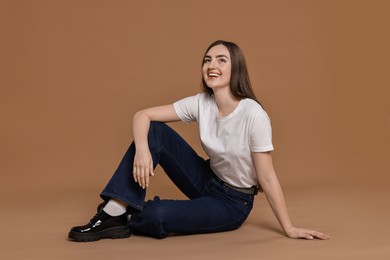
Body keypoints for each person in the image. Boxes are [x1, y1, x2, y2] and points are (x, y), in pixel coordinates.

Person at [68, 40, 329, 242]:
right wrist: (143, 151)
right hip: (206, 179)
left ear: (235, 67)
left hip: (232, 203)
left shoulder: (254, 115)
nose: (211, 65)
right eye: (207, 60)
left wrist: (290, 228)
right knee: (154, 130)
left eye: (221, 60)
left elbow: (268, 177)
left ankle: (127, 211)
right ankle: (113, 211)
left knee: (156, 216)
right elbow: (142, 115)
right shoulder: (202, 102)